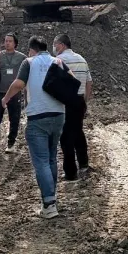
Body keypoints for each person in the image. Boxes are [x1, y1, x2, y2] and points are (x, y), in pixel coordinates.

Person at [1, 35, 74, 219]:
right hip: (58, 115)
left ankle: (49, 204)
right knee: (50, 158)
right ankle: (51, 199)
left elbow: (18, 84)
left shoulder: (29, 62)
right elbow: (72, 79)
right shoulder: (57, 61)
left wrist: (5, 98)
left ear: (32, 49)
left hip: (38, 117)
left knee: (41, 161)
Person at [53, 33, 92, 182]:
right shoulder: (82, 59)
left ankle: (70, 173)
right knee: (78, 132)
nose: (54, 48)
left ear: (62, 45)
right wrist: (85, 101)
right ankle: (84, 164)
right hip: (79, 101)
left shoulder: (59, 61)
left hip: (65, 102)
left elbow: (54, 83)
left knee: (66, 136)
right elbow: (89, 82)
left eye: (55, 44)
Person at [0, 33, 26, 154]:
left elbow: (26, 72)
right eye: (6, 41)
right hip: (0, 92)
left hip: (15, 93)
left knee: (14, 119)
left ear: (15, 44)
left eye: (10, 41)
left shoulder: (22, 57)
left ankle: (11, 144)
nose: (7, 43)